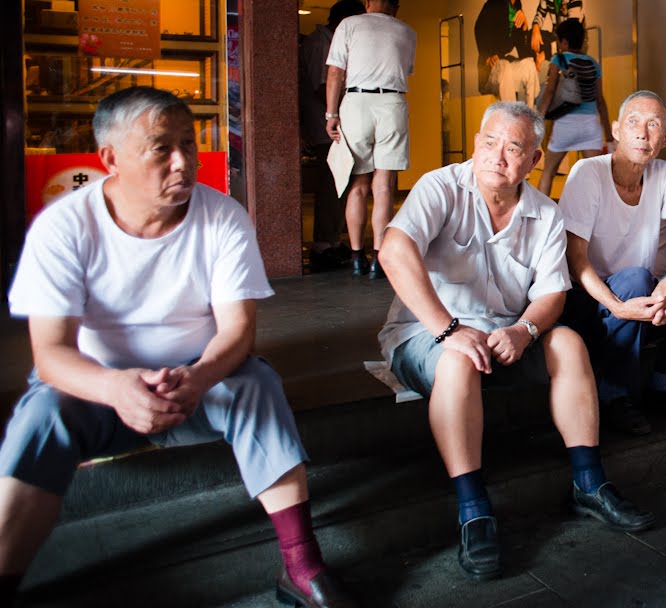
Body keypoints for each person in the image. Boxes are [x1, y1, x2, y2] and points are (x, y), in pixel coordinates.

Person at [0, 88, 356, 608]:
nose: (183, 161)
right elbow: (51, 354)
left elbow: (237, 332)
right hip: (98, 387)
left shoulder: (223, 217)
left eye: (189, 143)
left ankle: (301, 566)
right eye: (161, 148)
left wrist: (199, 377)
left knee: (257, 384)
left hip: (196, 381)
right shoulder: (64, 227)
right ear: (110, 159)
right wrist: (115, 387)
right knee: (42, 415)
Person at [377, 101, 654, 581]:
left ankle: (589, 483)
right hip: (427, 334)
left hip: (505, 336)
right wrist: (449, 330)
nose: (497, 155)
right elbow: (394, 250)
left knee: (567, 343)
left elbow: (551, 295)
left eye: (513, 147)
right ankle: (473, 509)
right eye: (489, 142)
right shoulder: (440, 187)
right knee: (457, 360)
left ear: (534, 159)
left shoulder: (545, 213)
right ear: (475, 144)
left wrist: (523, 330)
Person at [558, 91, 666, 436]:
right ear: (616, 130)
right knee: (635, 280)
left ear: (665, 138)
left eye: (653, 125)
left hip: (640, 293)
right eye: (633, 122)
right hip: (589, 301)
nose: (643, 133)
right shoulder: (588, 172)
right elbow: (575, 259)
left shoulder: (665, 175)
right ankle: (615, 396)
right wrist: (617, 306)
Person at [325, 0, 417, 279]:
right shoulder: (407, 31)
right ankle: (379, 258)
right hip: (392, 103)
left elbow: (335, 73)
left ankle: (357, 258)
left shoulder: (349, 25)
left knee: (358, 185)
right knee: (384, 185)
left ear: (366, 2)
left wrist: (331, 113)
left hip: (356, 102)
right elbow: (405, 69)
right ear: (395, 6)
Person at [300, 0, 366, 271]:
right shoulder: (320, 44)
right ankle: (323, 244)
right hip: (326, 126)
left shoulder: (329, 42)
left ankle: (332, 240)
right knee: (331, 186)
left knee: (339, 185)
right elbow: (322, 87)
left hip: (334, 125)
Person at [536, 18, 612, 197]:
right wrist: (608, 134)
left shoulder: (559, 59)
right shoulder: (593, 63)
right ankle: (599, 213)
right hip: (590, 125)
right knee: (597, 178)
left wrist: (538, 119)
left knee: (548, 172)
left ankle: (539, 212)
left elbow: (550, 91)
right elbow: (600, 100)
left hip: (566, 124)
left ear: (564, 42)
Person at [474, 0, 540, 105]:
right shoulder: (493, 4)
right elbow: (478, 28)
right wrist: (488, 56)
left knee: (529, 64)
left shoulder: (517, 10)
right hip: (489, 71)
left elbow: (524, 54)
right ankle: (511, 114)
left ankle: (530, 113)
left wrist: (525, 28)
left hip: (506, 70)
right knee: (504, 66)